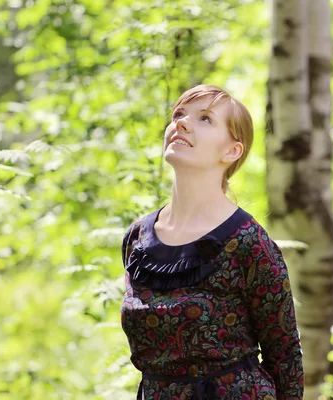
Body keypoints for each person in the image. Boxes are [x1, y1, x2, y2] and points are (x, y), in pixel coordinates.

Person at [120, 84, 304, 400]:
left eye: (205, 119)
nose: (182, 123)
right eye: (179, 114)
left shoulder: (248, 242)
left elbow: (285, 358)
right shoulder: (138, 238)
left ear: (232, 151)